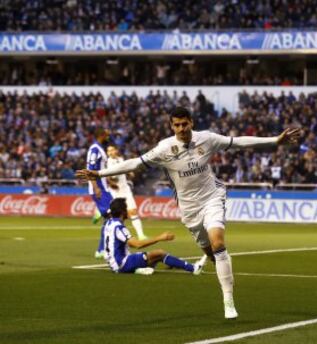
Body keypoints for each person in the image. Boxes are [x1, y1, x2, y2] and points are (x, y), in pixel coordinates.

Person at [76, 106, 300, 319]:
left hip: (212, 198)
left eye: (185, 124)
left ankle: (228, 300)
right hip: (189, 209)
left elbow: (239, 142)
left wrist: (275, 141)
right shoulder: (164, 149)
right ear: (171, 127)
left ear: (191, 122)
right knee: (211, 253)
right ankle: (224, 276)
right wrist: (100, 173)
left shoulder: (207, 138)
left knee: (218, 242)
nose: (181, 129)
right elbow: (135, 163)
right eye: (177, 125)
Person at [104, 198, 206, 275]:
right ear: (122, 212)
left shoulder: (109, 223)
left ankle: (139, 269)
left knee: (153, 258)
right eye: (126, 208)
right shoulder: (119, 227)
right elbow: (136, 244)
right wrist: (160, 238)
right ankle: (194, 268)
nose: (128, 211)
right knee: (159, 254)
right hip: (121, 263)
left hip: (113, 264)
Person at [106, 144, 147, 240]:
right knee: (114, 215)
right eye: (109, 151)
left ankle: (141, 235)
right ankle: (101, 214)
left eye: (112, 150)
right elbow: (108, 176)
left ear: (116, 150)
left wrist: (129, 172)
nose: (111, 152)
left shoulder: (120, 159)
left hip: (125, 190)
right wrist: (111, 180)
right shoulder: (109, 162)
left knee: (133, 212)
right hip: (116, 192)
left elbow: (125, 168)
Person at [86, 128, 113, 259]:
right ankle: (103, 249)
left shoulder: (100, 148)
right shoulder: (94, 149)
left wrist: (108, 181)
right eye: (107, 135)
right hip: (99, 189)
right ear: (101, 135)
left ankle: (102, 249)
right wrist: (96, 187)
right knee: (111, 217)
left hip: (105, 189)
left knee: (111, 217)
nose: (109, 137)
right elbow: (90, 169)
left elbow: (101, 170)